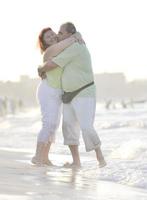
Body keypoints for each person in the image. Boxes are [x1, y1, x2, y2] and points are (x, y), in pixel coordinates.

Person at [38, 22, 106, 168]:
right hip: (68, 95)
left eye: (61, 33)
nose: (58, 35)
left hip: (83, 92)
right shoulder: (66, 46)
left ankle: (100, 158)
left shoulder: (76, 47)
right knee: (68, 127)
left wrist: (40, 68)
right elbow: (50, 57)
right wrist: (76, 35)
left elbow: (51, 65)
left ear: (70, 34)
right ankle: (76, 162)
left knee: (86, 126)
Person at [32, 27, 80, 165]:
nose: (52, 37)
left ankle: (45, 158)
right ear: (44, 43)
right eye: (48, 37)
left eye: (53, 34)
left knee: (54, 125)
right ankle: (37, 156)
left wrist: (77, 35)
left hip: (56, 92)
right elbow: (69, 40)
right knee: (48, 123)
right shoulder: (49, 51)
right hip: (47, 90)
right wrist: (76, 36)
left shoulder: (60, 49)